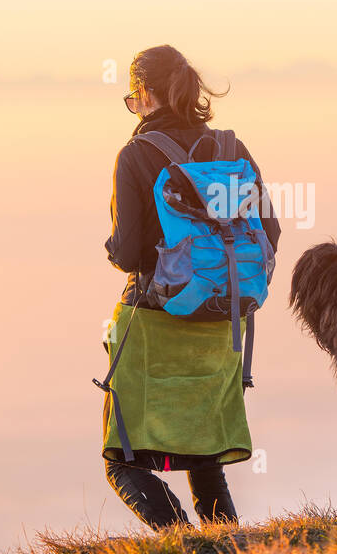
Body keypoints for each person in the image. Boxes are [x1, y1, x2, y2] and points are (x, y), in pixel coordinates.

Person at [101, 45, 281, 529]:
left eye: (132, 98)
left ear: (144, 94)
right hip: (222, 325)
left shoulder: (137, 156)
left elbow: (130, 255)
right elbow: (271, 232)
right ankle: (224, 552)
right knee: (205, 459)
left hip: (155, 325)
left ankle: (181, 543)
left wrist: (112, 246)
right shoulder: (230, 151)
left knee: (122, 458)